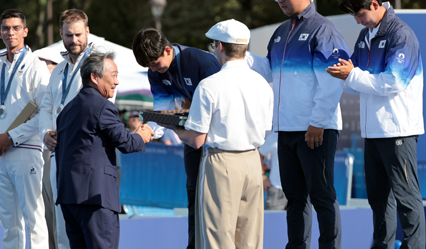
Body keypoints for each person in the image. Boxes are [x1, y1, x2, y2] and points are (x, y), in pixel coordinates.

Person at [327, 0, 426, 248]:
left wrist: (352, 74)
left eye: (360, 15)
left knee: (407, 200)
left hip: (399, 131)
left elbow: (393, 82)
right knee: (379, 201)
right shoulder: (366, 35)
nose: (358, 22)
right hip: (373, 132)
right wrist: (343, 74)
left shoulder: (401, 34)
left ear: (375, 4)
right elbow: (356, 80)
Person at [166, 19, 273, 248]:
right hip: (252, 161)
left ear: (220, 47)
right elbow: (265, 130)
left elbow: (196, 139)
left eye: (214, 45)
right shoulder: (262, 84)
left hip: (220, 161)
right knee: (250, 238)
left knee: (216, 238)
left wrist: (175, 128)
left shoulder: (209, 85)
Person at [267, 0, 350, 249]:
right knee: (295, 198)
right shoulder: (279, 33)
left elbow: (333, 82)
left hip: (315, 129)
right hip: (286, 129)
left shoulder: (323, 30)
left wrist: (318, 122)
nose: (279, 0)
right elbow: (269, 71)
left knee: (322, 196)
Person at [132, 28, 221, 248]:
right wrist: (148, 131)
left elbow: (223, 103)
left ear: (168, 50)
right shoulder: (155, 73)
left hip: (219, 142)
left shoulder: (202, 61)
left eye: (155, 63)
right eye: (149, 67)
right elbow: (162, 112)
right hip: (191, 140)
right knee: (193, 194)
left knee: (217, 199)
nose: (154, 70)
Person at [54, 50, 154, 248]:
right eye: (114, 75)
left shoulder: (66, 109)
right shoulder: (103, 106)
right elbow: (127, 143)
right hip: (95, 198)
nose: (117, 82)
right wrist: (142, 136)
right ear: (94, 76)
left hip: (69, 197)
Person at [39, 8, 94, 249]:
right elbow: (46, 107)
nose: (75, 40)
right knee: (62, 229)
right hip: (57, 155)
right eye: (69, 35)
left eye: (79, 35)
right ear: (61, 34)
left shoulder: (98, 67)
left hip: (85, 156)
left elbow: (100, 112)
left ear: (88, 32)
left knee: (88, 229)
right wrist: (45, 133)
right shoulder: (58, 70)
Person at [0, 9, 50, 248]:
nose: (10, 33)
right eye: (6, 28)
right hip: (1, 152)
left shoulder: (35, 66)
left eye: (16, 28)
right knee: (9, 221)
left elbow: (43, 112)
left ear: (25, 31)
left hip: (25, 148)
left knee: (33, 217)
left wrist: (11, 137)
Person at [35, 46, 64, 249]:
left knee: (57, 210)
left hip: (54, 152)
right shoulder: (37, 89)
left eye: (46, 64)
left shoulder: (62, 86)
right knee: (45, 211)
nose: (42, 68)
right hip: (38, 153)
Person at [259, 132, 287, 210]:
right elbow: (259, 155)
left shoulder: (304, 134)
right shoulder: (273, 137)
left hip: (299, 191)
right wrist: (263, 177)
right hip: (276, 189)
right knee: (273, 220)